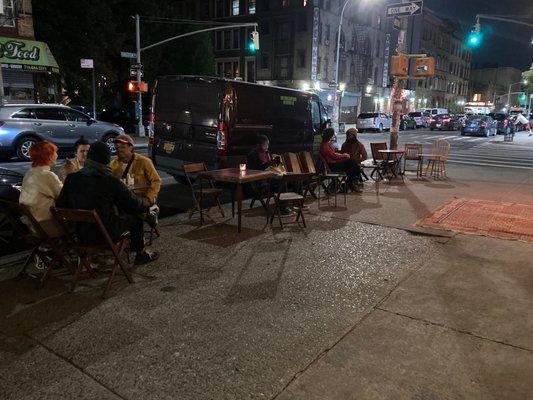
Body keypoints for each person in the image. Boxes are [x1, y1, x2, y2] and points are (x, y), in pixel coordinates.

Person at [56, 142, 159, 265]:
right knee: (135, 216)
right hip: (105, 234)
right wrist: (146, 205)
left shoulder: (72, 178)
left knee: (128, 210)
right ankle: (140, 253)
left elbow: (60, 204)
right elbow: (132, 203)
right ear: (106, 159)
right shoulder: (109, 180)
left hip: (79, 234)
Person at [19, 141, 63, 236]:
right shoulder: (47, 175)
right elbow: (62, 195)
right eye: (55, 152)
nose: (57, 154)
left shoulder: (29, 173)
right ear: (49, 156)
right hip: (47, 225)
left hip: (32, 224)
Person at [110, 134, 161, 206]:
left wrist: (149, 198)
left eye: (123, 147)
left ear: (131, 147)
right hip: (124, 201)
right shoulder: (113, 165)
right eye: (117, 148)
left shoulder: (144, 161)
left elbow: (156, 181)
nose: (119, 150)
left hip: (142, 199)